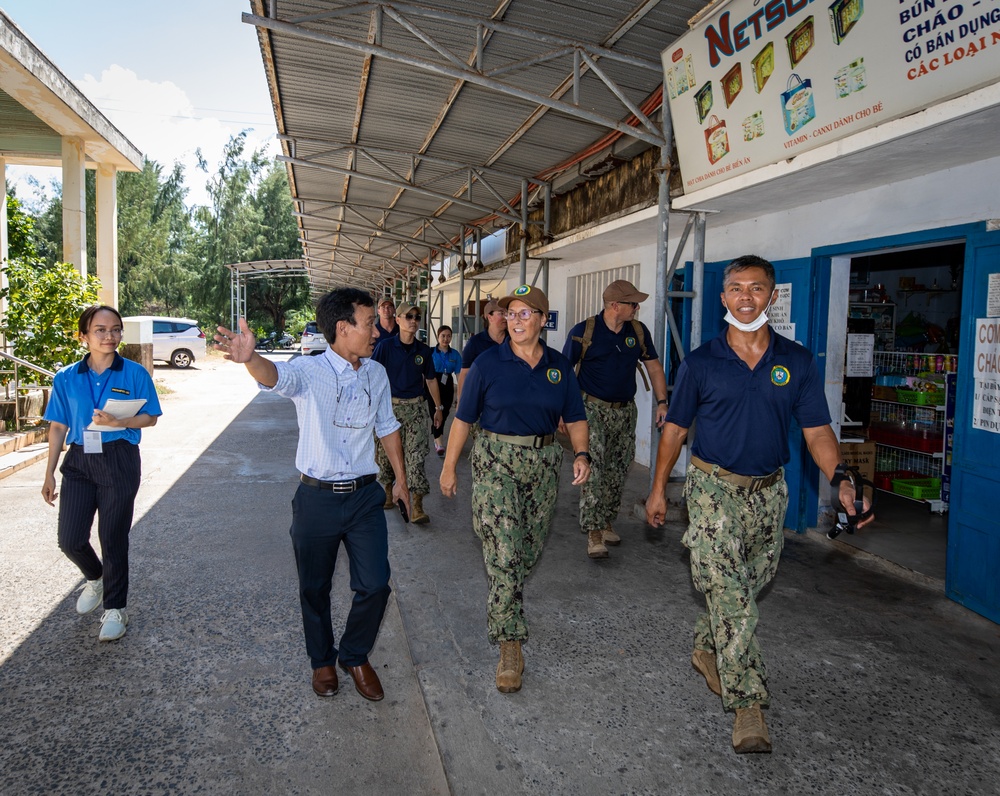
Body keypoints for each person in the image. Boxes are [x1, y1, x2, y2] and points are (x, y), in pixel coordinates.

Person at [644, 255, 872, 754]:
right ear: (723, 297)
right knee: (733, 598)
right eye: (736, 289)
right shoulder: (701, 362)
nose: (746, 297)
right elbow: (675, 431)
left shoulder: (797, 361)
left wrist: (841, 478)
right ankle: (748, 704)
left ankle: (707, 648)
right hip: (711, 492)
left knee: (745, 586)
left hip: (770, 494)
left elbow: (816, 432)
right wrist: (660, 487)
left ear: (772, 296)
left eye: (756, 288)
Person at [215, 288, 410, 702]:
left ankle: (354, 655)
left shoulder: (376, 373)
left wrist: (401, 479)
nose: (376, 330)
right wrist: (251, 358)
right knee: (314, 589)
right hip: (316, 499)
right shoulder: (309, 371)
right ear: (343, 328)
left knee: (376, 585)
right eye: (369, 322)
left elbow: (388, 426)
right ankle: (322, 660)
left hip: (364, 499)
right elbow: (275, 377)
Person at [440, 284, 591, 694]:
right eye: (511, 314)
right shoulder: (488, 364)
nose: (516, 320)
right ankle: (510, 643)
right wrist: (449, 467)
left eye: (526, 314)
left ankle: (507, 602)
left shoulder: (559, 367)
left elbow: (575, 416)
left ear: (543, 320)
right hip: (495, 464)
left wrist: (582, 453)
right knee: (504, 549)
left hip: (543, 465)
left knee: (524, 550)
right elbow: (463, 419)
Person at [41, 305, 162, 642]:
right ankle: (96, 577)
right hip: (80, 460)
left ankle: (115, 608)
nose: (110, 336)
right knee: (71, 539)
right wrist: (49, 473)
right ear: (84, 336)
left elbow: (150, 417)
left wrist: (120, 422)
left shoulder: (134, 373)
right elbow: (57, 426)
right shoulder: (66, 377)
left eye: (116, 329)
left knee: (112, 537)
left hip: (119, 457)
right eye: (100, 330)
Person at [562, 279, 669, 559]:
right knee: (593, 470)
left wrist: (662, 402)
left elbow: (655, 368)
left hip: (625, 411)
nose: (637, 308)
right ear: (614, 306)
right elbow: (562, 372)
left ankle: (607, 520)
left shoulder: (637, 331)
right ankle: (594, 532)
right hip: (591, 410)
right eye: (633, 303)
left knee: (618, 469)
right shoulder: (583, 332)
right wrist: (562, 411)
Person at [372, 302, 444, 524]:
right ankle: (386, 491)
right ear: (398, 319)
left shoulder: (424, 351)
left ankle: (417, 506)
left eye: (417, 317)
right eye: (409, 316)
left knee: (416, 457)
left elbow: (431, 380)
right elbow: (372, 375)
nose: (413, 321)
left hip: (416, 409)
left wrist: (438, 408)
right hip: (389, 408)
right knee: (384, 455)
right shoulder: (384, 347)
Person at [455, 297, 507, 406]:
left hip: (508, 403)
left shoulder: (513, 341)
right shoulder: (475, 343)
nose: (506, 317)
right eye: (501, 313)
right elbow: (464, 375)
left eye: (507, 313)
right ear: (490, 317)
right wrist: (461, 404)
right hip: (482, 403)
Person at [426, 324, 462, 456]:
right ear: (437, 337)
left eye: (448, 336)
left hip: (447, 385)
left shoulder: (455, 355)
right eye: (443, 336)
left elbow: (459, 375)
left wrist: (460, 395)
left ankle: (437, 435)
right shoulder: (430, 352)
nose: (446, 339)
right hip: (432, 383)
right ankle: (438, 442)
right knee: (435, 411)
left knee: (444, 413)